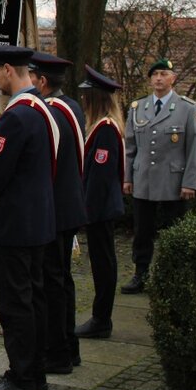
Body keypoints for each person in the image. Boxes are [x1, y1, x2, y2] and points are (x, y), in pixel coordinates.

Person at [0, 45, 58, 390]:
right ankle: (34, 372)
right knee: (34, 300)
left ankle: (21, 378)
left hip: (14, 225)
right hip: (36, 223)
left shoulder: (18, 116)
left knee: (15, 304)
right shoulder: (43, 111)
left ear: (9, 69)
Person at [121, 58, 196, 294]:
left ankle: (173, 275)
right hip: (144, 180)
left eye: (164, 74)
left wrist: (190, 183)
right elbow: (130, 148)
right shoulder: (138, 108)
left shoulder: (188, 108)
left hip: (173, 182)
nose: (158, 78)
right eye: (155, 74)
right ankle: (141, 274)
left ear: (173, 78)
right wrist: (128, 178)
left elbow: (195, 149)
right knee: (142, 231)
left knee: (173, 231)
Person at [28, 51, 87, 374]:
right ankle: (69, 346)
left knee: (51, 283)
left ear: (42, 81)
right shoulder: (71, 108)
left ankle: (57, 353)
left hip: (55, 208)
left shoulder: (49, 112)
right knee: (62, 281)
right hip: (70, 204)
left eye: (33, 77)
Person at [75, 66, 126, 339]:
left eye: (86, 97)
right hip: (101, 208)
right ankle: (100, 317)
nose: (83, 101)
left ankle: (101, 319)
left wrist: (86, 211)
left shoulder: (105, 128)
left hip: (101, 208)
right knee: (101, 262)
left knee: (104, 264)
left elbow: (100, 177)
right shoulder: (101, 126)